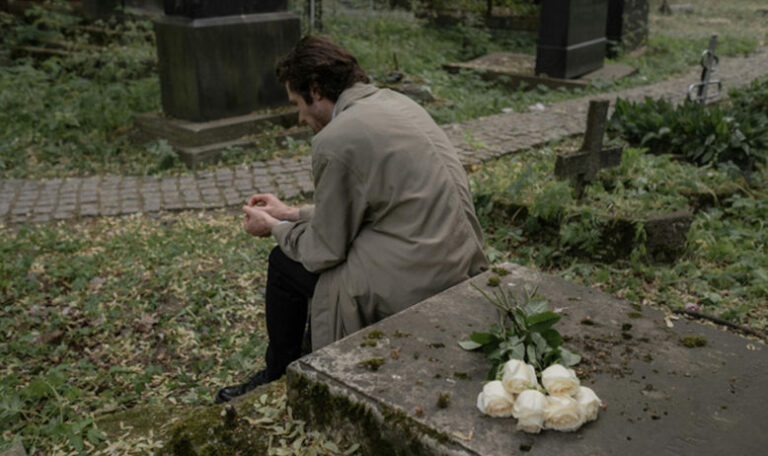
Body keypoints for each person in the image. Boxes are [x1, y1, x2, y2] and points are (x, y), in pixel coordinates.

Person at [215, 36, 488, 403]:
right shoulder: (394, 102)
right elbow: (378, 205)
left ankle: (279, 374)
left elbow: (323, 250)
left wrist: (274, 228)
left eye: (297, 103)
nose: (299, 117)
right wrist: (292, 213)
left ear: (315, 90)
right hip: (456, 258)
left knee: (284, 263)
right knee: (305, 251)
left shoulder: (335, 138)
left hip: (418, 278)